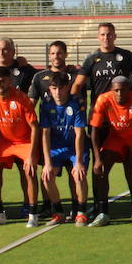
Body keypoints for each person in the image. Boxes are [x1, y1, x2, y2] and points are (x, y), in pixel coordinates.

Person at [74, 22, 132, 216]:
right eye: (103, 34)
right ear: (98, 37)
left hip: (125, 117)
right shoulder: (91, 59)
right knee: (99, 162)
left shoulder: (126, 56)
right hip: (100, 119)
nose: (106, 37)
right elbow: (77, 85)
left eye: (109, 34)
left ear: (115, 35)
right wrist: (76, 104)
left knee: (129, 160)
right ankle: (99, 202)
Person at [0, 66, 41, 226]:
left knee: (29, 171)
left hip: (24, 141)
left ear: (10, 81)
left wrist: (31, 155)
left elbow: (35, 127)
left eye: (2, 81)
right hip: (5, 142)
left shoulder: (22, 98)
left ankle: (33, 213)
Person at [88, 75, 132, 227]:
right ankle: (103, 212)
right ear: (111, 90)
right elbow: (94, 130)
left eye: (123, 90)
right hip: (116, 137)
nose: (120, 94)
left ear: (129, 90)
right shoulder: (103, 100)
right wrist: (97, 158)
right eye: (116, 90)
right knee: (101, 168)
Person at [37, 72, 89, 224]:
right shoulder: (46, 104)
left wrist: (78, 161)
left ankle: (81, 211)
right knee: (46, 176)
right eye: (54, 88)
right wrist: (47, 163)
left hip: (75, 148)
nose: (57, 92)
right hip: (57, 147)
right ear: (50, 89)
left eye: (61, 88)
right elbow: (45, 134)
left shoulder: (77, 102)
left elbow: (79, 134)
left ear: (67, 88)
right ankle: (58, 211)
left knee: (78, 175)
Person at [30, 41, 78, 105]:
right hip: (47, 115)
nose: (56, 57)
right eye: (52, 53)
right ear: (49, 55)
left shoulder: (76, 76)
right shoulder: (39, 77)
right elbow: (31, 105)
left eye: (59, 53)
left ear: (66, 54)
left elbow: (83, 102)